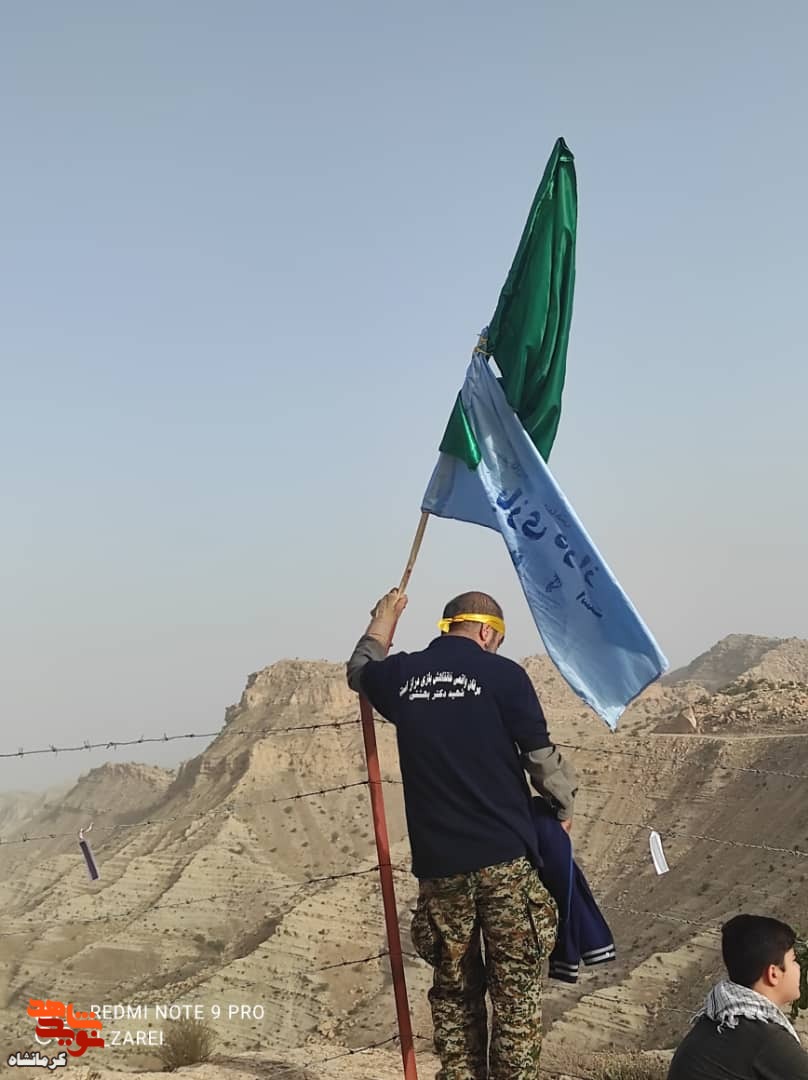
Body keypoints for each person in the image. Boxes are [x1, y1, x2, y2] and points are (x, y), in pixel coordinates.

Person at [346, 587, 578, 1080]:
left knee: (454, 990)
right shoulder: (505, 676)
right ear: (488, 633)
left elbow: (361, 668)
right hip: (504, 860)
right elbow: (540, 758)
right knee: (515, 992)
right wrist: (562, 807)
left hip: (441, 867)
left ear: (448, 626)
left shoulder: (403, 676)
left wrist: (383, 618)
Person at [668, 914, 808, 1080]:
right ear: (773, 974)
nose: (799, 967)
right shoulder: (764, 1038)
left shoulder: (719, 1019)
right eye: (793, 960)